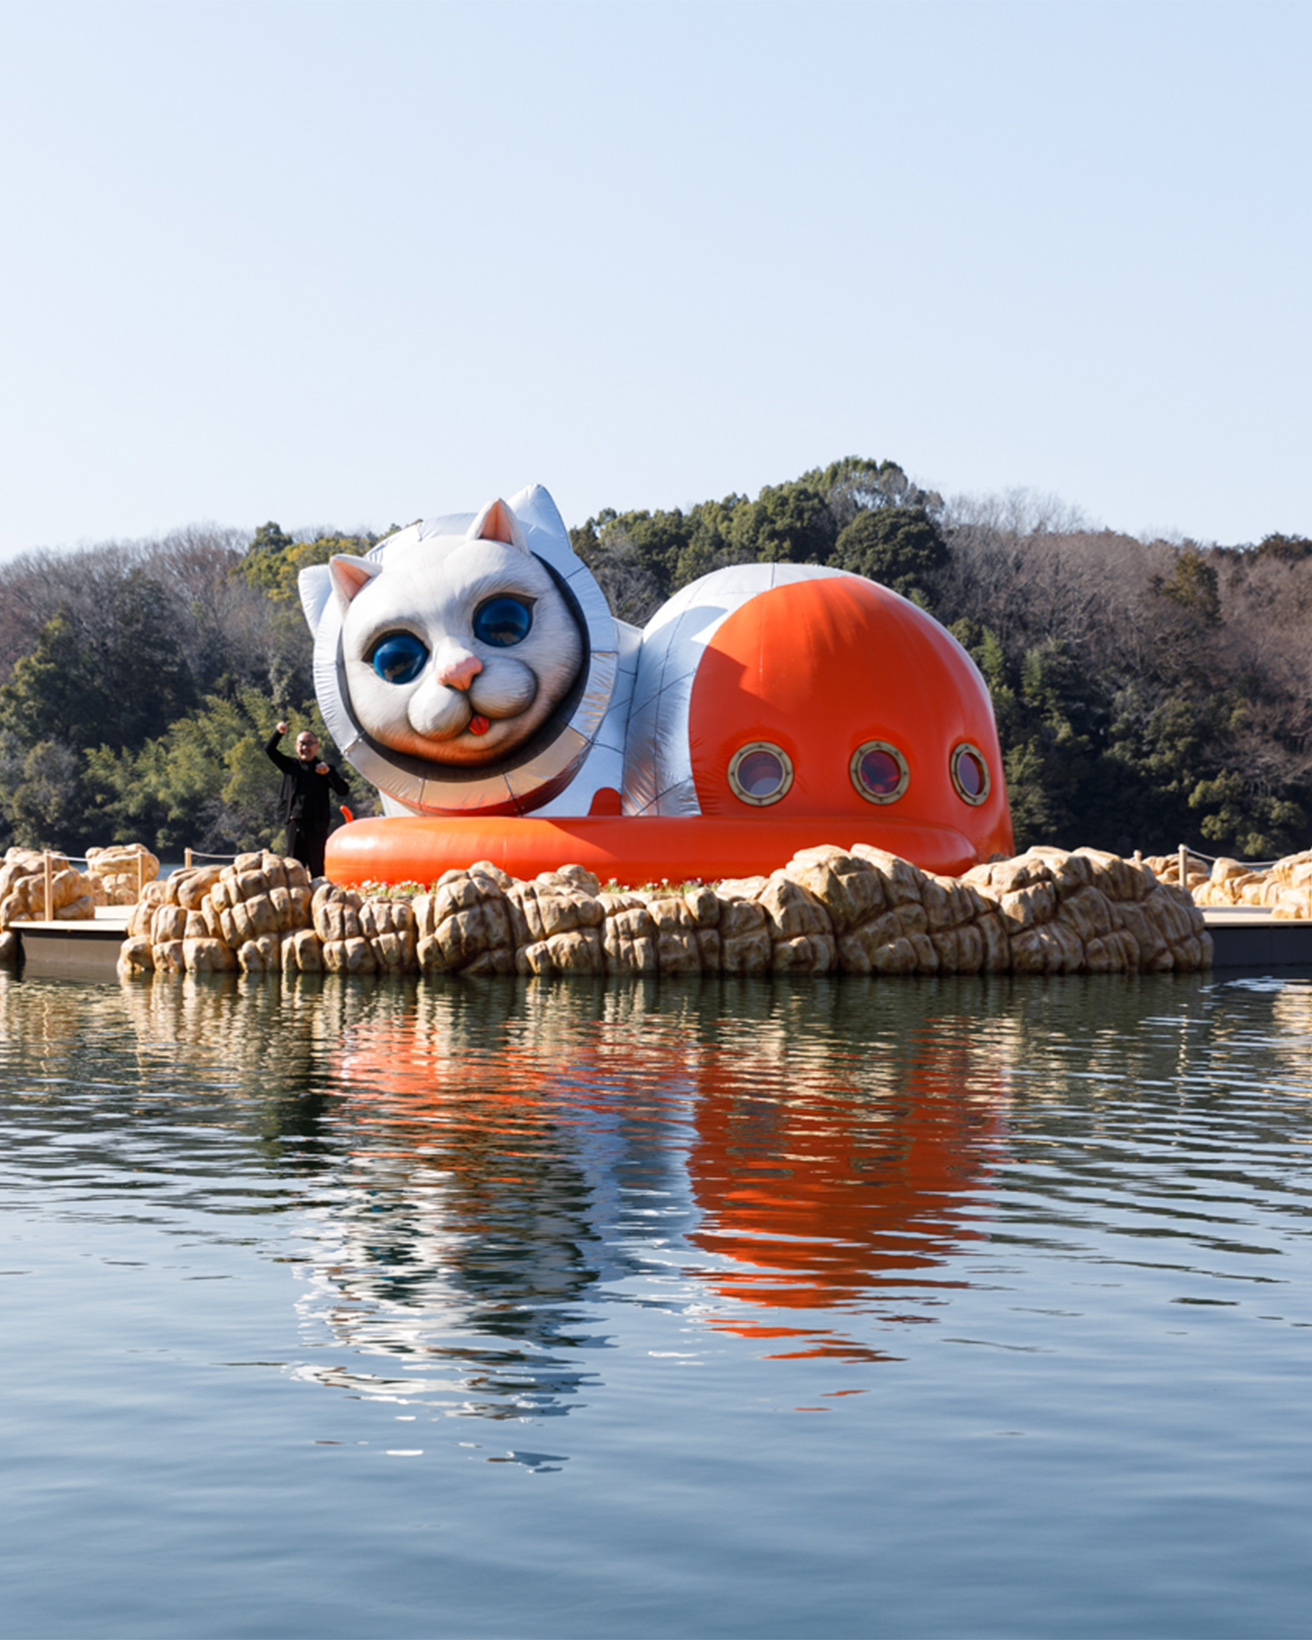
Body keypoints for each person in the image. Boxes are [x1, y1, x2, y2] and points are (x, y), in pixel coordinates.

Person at [265, 722, 350, 878]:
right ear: (296, 747)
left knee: (317, 867)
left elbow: (343, 790)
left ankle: (319, 898)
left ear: (317, 746)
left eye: (309, 744)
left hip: (317, 826)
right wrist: (278, 733)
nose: (305, 748)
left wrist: (330, 773)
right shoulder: (290, 765)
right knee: (293, 868)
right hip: (294, 823)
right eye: (302, 744)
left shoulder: (324, 768)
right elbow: (269, 750)